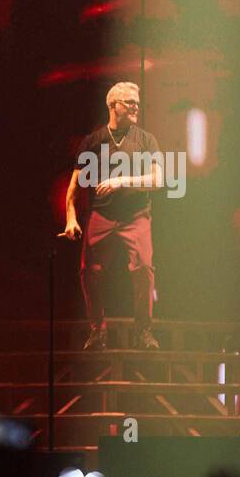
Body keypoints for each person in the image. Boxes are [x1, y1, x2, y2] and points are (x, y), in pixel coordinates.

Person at [60, 82, 162, 351]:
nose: (135, 106)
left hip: (136, 215)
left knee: (143, 267)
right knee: (89, 270)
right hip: (102, 214)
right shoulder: (93, 142)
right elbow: (73, 188)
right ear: (113, 105)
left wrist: (122, 181)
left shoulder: (146, 140)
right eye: (130, 102)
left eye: (137, 102)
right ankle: (97, 331)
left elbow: (158, 179)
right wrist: (71, 218)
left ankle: (144, 332)